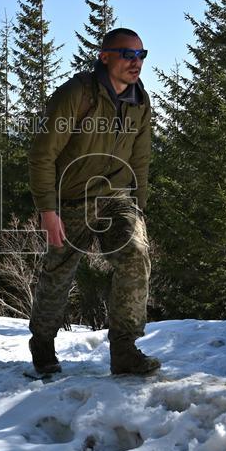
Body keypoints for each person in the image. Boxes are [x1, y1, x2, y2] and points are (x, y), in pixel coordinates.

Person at [27, 27, 159, 376]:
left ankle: (125, 350)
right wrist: (48, 211)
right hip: (71, 200)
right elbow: (42, 155)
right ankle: (41, 341)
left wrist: (139, 207)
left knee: (135, 255)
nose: (136, 62)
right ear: (105, 57)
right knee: (58, 275)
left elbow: (141, 160)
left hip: (116, 197)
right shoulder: (77, 94)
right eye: (128, 54)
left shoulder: (140, 102)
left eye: (141, 55)